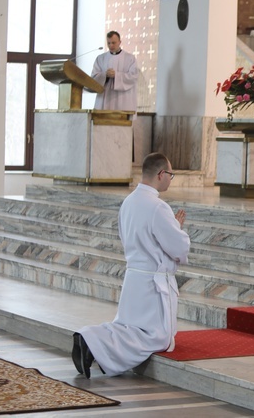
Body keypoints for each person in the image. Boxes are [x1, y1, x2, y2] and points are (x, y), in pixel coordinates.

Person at [72, 153, 190, 378]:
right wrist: (178, 228)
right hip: (152, 284)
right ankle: (91, 339)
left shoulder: (129, 202)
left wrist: (171, 228)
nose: (170, 179)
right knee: (156, 337)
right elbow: (177, 247)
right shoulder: (158, 207)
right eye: (171, 174)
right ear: (161, 174)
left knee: (129, 327)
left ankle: (91, 341)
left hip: (134, 277)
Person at [91, 31, 140, 111]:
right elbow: (93, 77)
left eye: (113, 42)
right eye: (109, 43)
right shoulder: (100, 58)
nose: (111, 45)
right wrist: (104, 75)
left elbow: (133, 76)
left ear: (119, 42)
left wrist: (116, 75)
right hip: (105, 98)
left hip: (122, 100)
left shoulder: (130, 58)